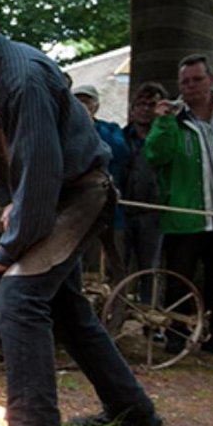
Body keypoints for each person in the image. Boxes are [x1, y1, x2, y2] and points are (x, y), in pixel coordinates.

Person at [0, 0, 163, 426]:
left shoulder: (26, 80)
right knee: (68, 309)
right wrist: (2, 203)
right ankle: (135, 414)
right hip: (38, 193)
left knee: (19, 297)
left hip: (78, 192)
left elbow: (40, 171)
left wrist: (10, 244)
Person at [145, 54, 213, 359]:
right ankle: (176, 334)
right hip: (187, 211)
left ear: (211, 80)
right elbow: (155, 156)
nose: (190, 86)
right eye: (184, 81)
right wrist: (162, 122)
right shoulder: (174, 118)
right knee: (180, 274)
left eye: (196, 79)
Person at [73, 84, 129, 281]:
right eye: (77, 100)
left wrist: (90, 128)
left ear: (95, 105)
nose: (82, 105)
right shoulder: (66, 132)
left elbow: (120, 153)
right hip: (78, 212)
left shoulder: (110, 129)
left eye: (86, 101)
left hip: (111, 211)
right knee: (83, 266)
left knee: (113, 263)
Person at [120, 82, 168, 282]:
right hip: (122, 211)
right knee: (119, 269)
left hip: (154, 213)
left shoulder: (166, 138)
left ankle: (149, 311)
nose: (145, 109)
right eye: (141, 104)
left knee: (151, 270)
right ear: (132, 108)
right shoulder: (120, 137)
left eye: (151, 104)